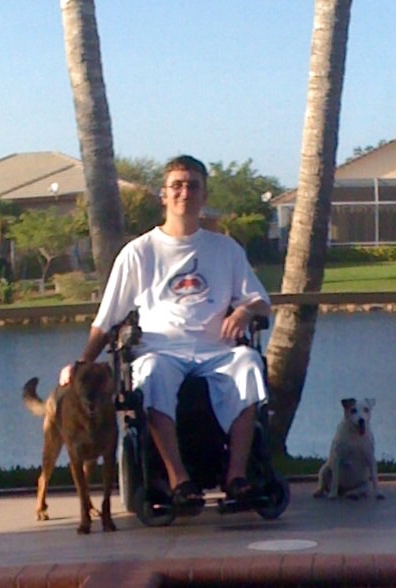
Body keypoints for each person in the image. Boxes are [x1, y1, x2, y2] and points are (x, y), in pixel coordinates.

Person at [60, 155, 271, 506]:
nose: (184, 192)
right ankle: (178, 480)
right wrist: (81, 364)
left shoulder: (225, 249)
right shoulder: (138, 252)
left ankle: (236, 476)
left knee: (249, 364)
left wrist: (245, 311)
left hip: (217, 349)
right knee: (153, 373)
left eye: (193, 186)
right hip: (160, 350)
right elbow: (107, 318)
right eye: (177, 185)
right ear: (164, 194)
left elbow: (261, 302)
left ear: (204, 195)